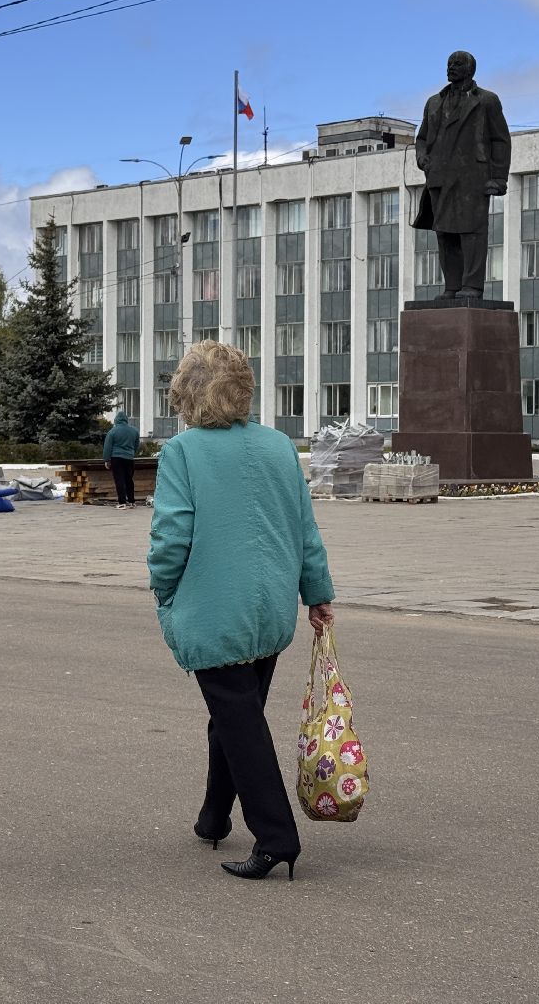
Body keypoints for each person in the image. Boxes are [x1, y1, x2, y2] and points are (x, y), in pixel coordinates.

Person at [146, 341, 335, 882]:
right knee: (235, 713)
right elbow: (305, 530)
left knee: (241, 722)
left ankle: (276, 837)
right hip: (270, 611)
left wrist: (162, 588)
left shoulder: (183, 453)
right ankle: (213, 816)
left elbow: (171, 536)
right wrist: (317, 592)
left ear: (186, 395)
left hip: (214, 610)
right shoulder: (278, 447)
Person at [411, 50, 511, 300]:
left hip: (473, 177)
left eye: (457, 64)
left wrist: (499, 178)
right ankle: (452, 286)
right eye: (449, 64)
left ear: (470, 70)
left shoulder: (487, 100)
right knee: (445, 233)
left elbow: (500, 140)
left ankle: (472, 286)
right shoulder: (434, 102)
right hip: (440, 177)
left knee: (471, 232)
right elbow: (422, 138)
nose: (451, 67)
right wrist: (422, 157)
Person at [102, 409, 140, 509]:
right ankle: (132, 501)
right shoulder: (134, 431)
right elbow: (136, 445)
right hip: (129, 458)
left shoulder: (112, 432)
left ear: (116, 420)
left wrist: (107, 460)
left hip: (116, 458)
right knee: (129, 480)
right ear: (126, 420)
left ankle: (122, 502)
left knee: (119, 480)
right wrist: (131, 453)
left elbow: (107, 447)